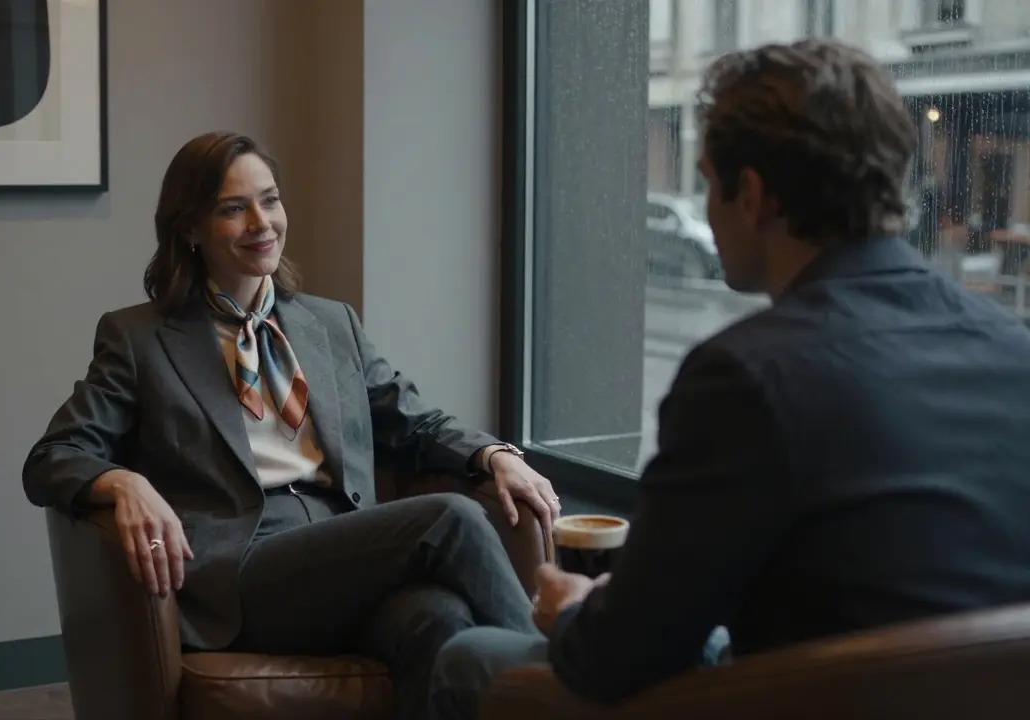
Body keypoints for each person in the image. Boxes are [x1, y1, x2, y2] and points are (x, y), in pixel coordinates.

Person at [428, 38, 1030, 718]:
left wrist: (571, 613)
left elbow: (614, 660)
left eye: (710, 183)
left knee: (466, 659)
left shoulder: (746, 377)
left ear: (753, 195)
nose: (708, 212)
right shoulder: (1014, 346)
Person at [22, 131, 559, 719]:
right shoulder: (141, 339)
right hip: (240, 574)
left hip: (345, 553)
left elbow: (414, 421)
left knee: (438, 619)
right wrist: (122, 482)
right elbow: (53, 455)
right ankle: (563, 693)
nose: (262, 223)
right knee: (451, 518)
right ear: (190, 228)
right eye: (234, 208)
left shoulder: (331, 324)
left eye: (270, 200)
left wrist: (493, 455)